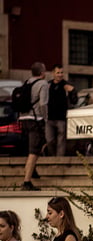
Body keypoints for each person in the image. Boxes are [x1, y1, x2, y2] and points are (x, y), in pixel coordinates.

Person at [18, 62, 48, 191]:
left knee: (32, 149)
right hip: (35, 119)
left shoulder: (27, 82)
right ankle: (27, 182)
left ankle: (32, 170)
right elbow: (43, 103)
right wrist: (46, 118)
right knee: (34, 151)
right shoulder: (43, 84)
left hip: (23, 119)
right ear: (42, 73)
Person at [45, 64, 78, 157]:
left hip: (61, 118)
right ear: (53, 73)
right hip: (49, 118)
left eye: (61, 73)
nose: (60, 75)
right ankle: (52, 157)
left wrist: (72, 91)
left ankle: (59, 159)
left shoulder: (66, 85)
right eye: (58, 73)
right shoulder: (48, 85)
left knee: (61, 140)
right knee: (49, 140)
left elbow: (74, 101)